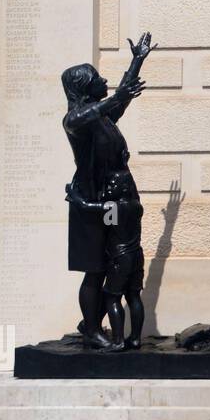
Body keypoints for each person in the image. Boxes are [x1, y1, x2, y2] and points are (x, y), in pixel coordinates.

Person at [62, 33, 155, 349]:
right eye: (98, 78)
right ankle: (91, 329)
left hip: (111, 201)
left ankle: (94, 323)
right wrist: (118, 95)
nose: (105, 81)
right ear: (84, 88)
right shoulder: (76, 119)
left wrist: (138, 59)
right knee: (95, 269)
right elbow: (112, 100)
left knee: (118, 262)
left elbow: (121, 98)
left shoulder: (102, 118)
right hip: (88, 201)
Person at [65, 172, 144, 350]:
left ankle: (118, 341)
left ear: (123, 188)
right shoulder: (137, 206)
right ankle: (136, 338)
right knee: (134, 296)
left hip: (120, 258)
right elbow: (111, 221)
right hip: (137, 256)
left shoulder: (114, 207)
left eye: (113, 185)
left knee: (112, 297)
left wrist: (74, 194)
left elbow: (86, 206)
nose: (110, 187)